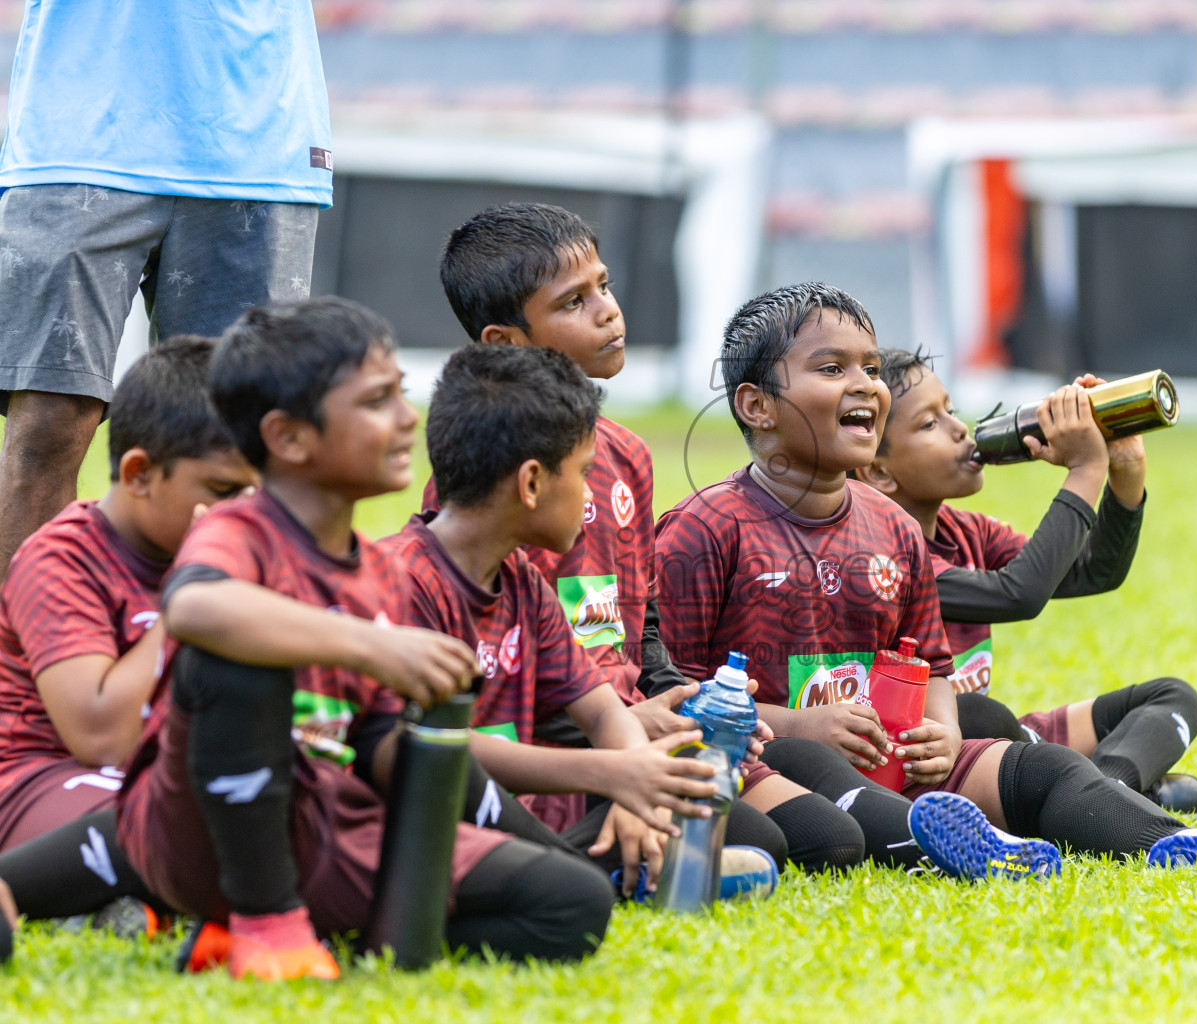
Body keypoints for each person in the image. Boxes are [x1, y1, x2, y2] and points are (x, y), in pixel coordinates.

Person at [655, 282, 1197, 880]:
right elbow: (671, 697)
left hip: (898, 759)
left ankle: (1185, 845)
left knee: (1040, 768)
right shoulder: (703, 530)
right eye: (831, 367)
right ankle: (974, 847)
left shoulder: (891, 527)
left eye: (869, 367)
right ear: (756, 406)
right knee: (815, 765)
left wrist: (942, 733)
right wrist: (799, 723)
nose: (863, 385)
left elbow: (930, 665)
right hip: (773, 764)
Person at [115, 298, 613, 981]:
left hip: (326, 822)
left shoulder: (375, 568)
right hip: (195, 831)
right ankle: (264, 920)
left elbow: (381, 746)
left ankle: (271, 929)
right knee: (238, 660)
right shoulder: (239, 529)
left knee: (571, 903)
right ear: (289, 438)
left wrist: (534, 849)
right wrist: (370, 645)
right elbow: (196, 608)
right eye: (379, 401)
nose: (409, 419)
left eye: (401, 395)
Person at [431, 202, 858, 871]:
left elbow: (642, 619)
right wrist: (632, 733)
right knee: (783, 842)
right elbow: (500, 674)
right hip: (559, 752)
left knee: (818, 819)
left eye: (602, 285)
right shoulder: (486, 486)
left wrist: (675, 700)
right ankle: (594, 861)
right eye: (573, 301)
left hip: (632, 725)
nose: (607, 310)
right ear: (504, 345)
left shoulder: (628, 455)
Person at [378, 343, 779, 899]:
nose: (591, 491)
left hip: (517, 819)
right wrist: (613, 775)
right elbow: (430, 748)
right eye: (585, 473)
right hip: (421, 824)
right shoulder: (402, 581)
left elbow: (601, 710)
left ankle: (605, 870)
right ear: (532, 483)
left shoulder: (523, 583)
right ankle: (601, 878)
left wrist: (635, 782)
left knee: (675, 808)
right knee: (572, 897)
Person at [0, 0, 331, 579]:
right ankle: (22, 657)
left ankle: (201, 660)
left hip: (258, 141)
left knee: (239, 436)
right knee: (50, 418)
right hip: (78, 138)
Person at [851, 348, 1197, 814]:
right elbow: (1018, 594)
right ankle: (1092, 788)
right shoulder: (884, 556)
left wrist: (1124, 471)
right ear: (878, 470)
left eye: (951, 411)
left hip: (999, 737)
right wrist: (1084, 470)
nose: (960, 429)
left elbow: (1091, 572)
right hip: (939, 750)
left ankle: (1109, 786)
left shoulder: (968, 531)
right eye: (929, 424)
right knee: (979, 712)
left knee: (1174, 696)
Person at [0, 337, 257, 933]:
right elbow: (101, 737)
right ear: (139, 473)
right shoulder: (62, 556)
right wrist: (193, 595)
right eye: (223, 491)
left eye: (255, 491)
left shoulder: (241, 544)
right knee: (173, 820)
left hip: (168, 771)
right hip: (43, 776)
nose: (244, 511)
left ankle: (116, 900)